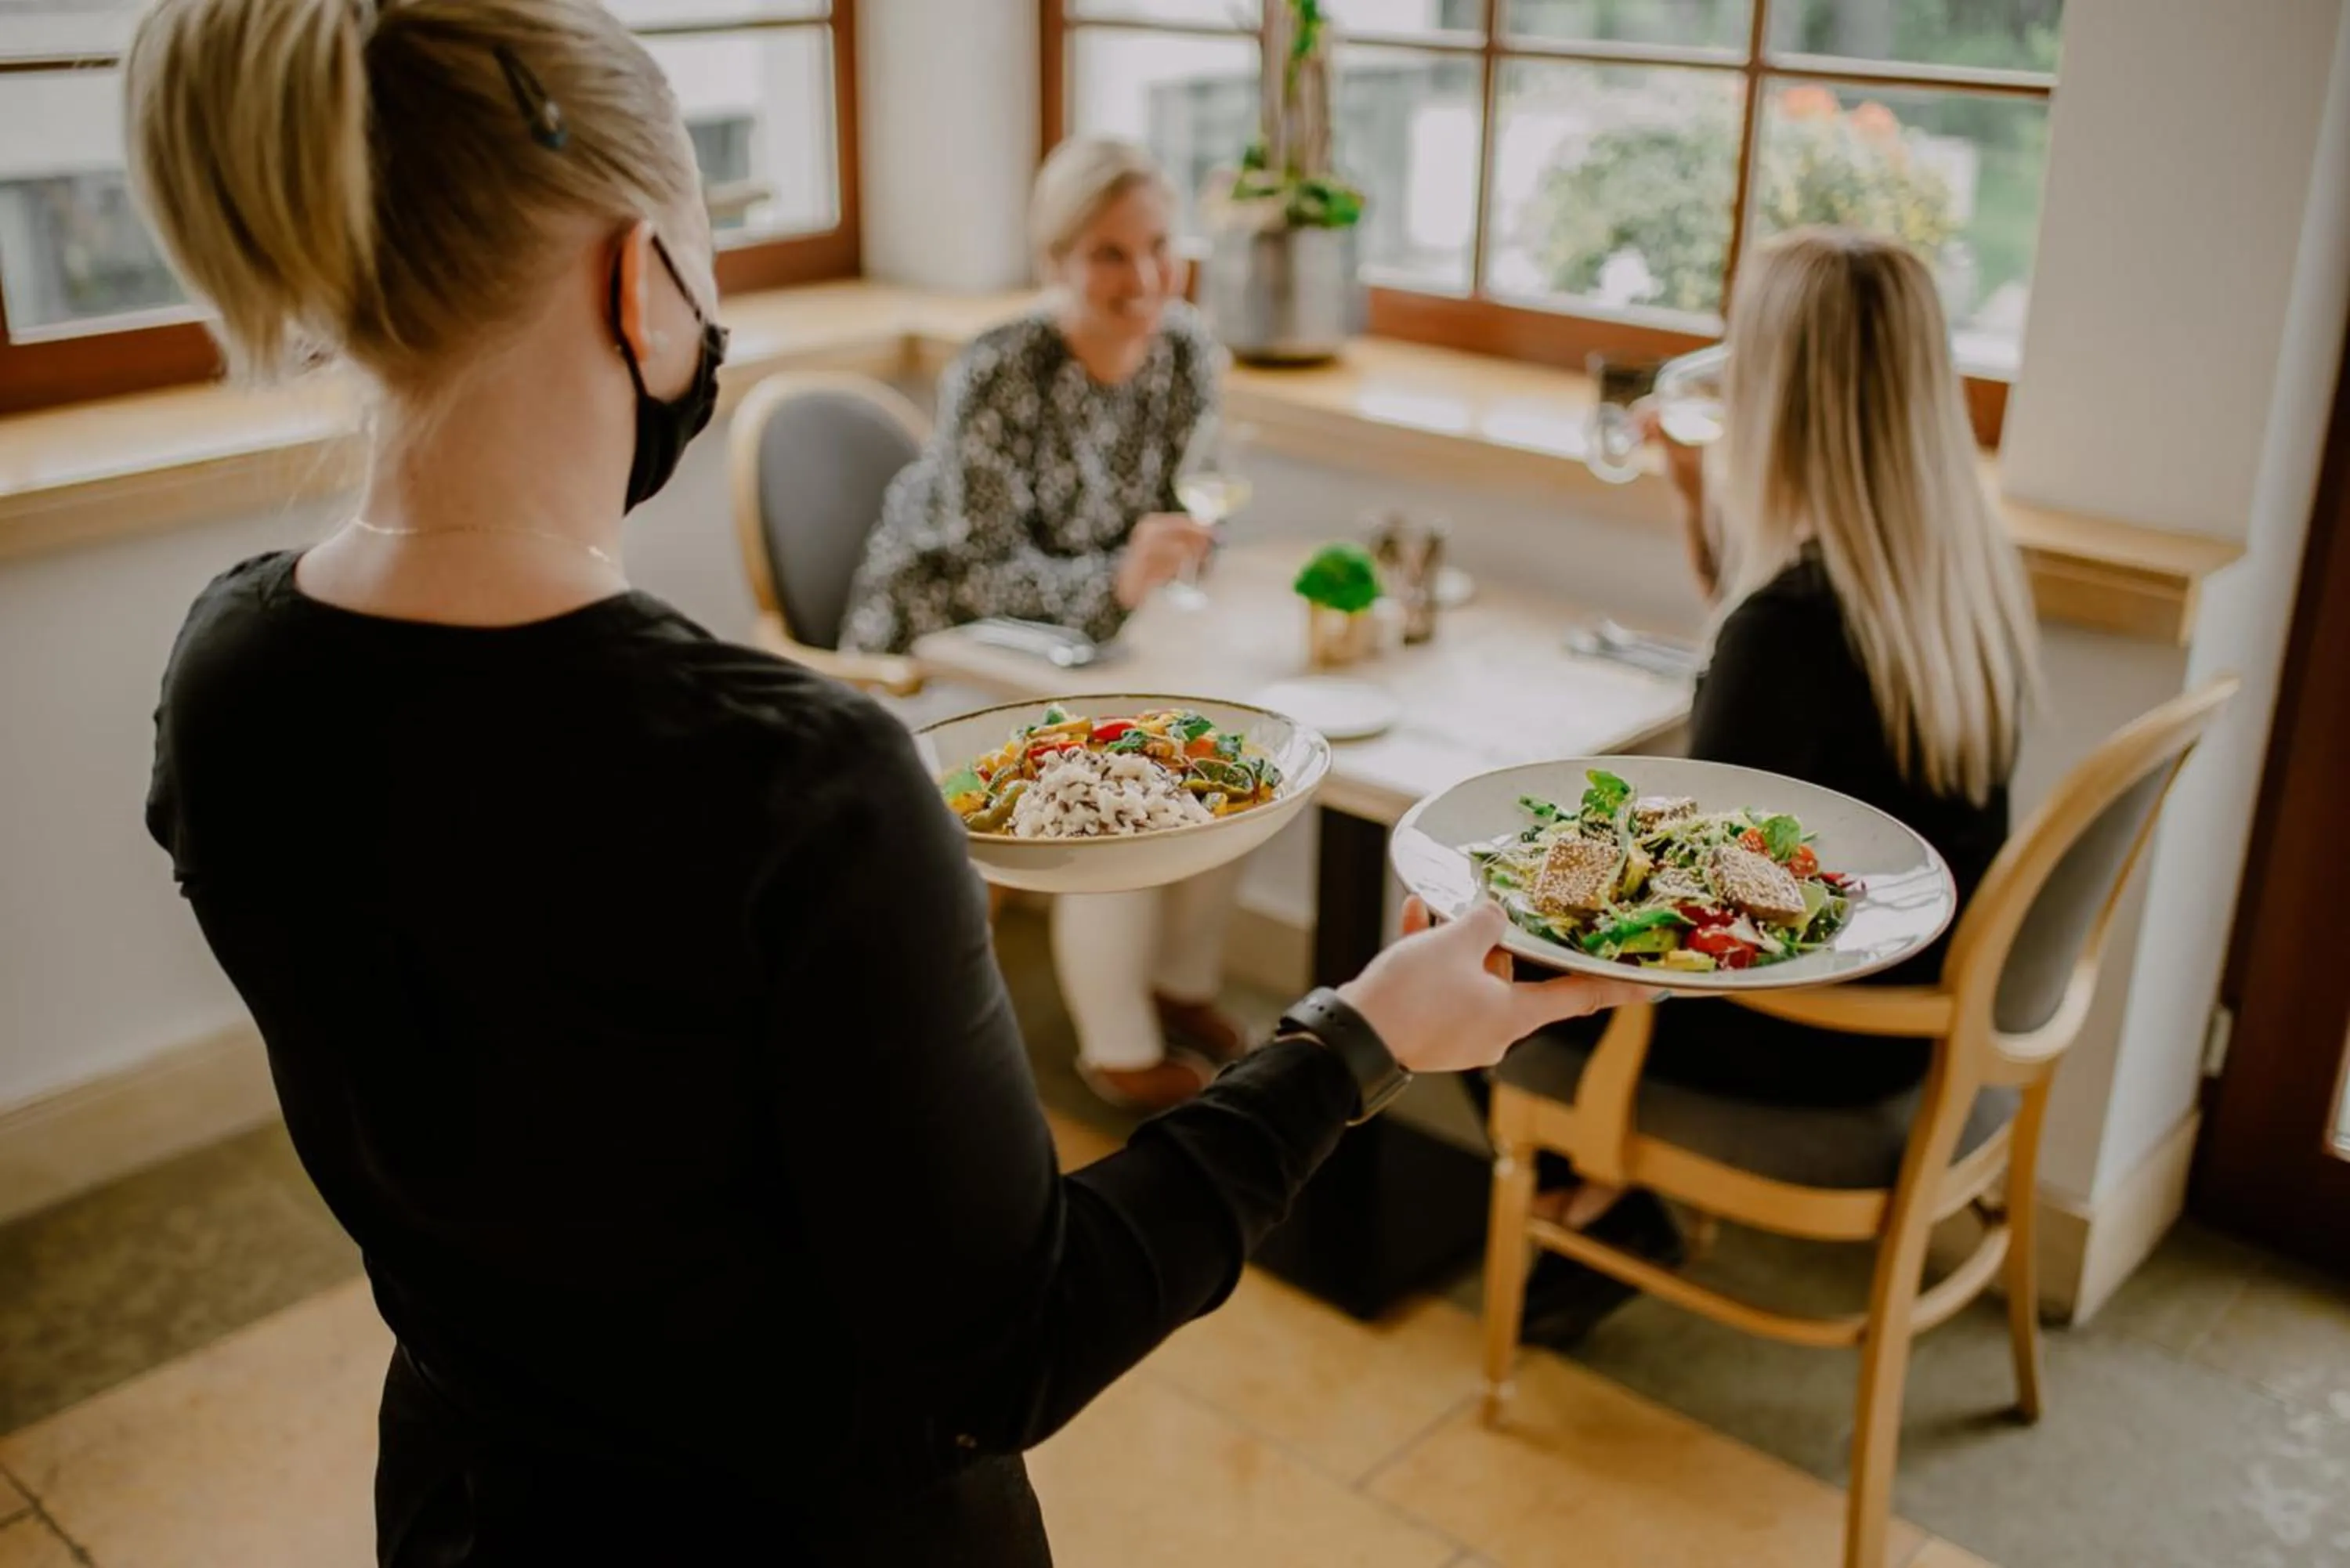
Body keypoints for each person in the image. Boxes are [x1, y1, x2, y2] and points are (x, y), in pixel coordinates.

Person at [128, 4, 1647, 1562]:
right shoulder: (798, 784)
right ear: (638, 276)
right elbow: (1012, 1347)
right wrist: (1366, 1028)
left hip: (475, 1507)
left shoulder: (228, 675)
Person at [1480, 226, 2042, 1346]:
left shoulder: (1788, 633)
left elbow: (1681, 904)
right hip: (1918, 997)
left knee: (1470, 936)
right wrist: (1695, 492)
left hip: (1815, 1030)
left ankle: (1615, 1200)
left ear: (1778, 393)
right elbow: (1765, 644)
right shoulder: (1954, 573)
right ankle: (1596, 1197)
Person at [842, 135, 1245, 1111]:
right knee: (1121, 772)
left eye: (1158, 244)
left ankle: (1176, 983)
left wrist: (1170, 558)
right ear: (1056, 261)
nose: (1144, 277)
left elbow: (1192, 513)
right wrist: (1116, 579)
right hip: (935, 634)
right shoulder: (1000, 367)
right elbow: (981, 567)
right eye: (1109, 253)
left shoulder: (1187, 349)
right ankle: (1117, 1048)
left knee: (1224, 747)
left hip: (1083, 639)